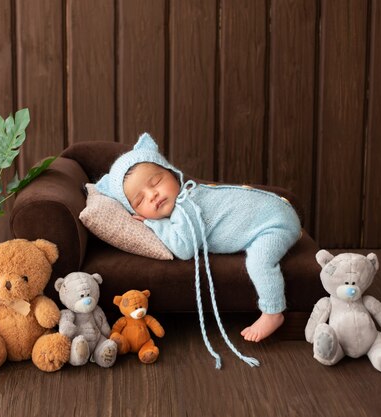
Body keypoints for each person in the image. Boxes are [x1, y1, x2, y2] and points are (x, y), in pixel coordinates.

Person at [96, 133, 301, 368]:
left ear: (171, 172)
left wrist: (153, 222)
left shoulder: (187, 205)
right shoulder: (181, 205)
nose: (152, 195)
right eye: (140, 199)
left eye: (155, 182)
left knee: (258, 262)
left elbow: (184, 249)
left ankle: (273, 311)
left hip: (274, 222)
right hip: (275, 213)